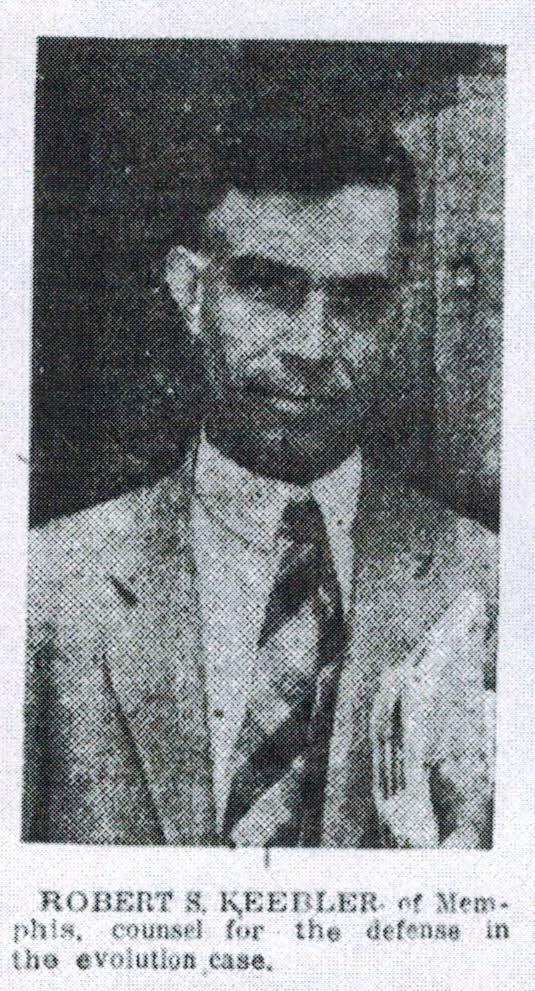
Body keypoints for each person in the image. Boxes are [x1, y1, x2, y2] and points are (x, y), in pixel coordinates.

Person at [23, 100, 497, 847]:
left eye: (356, 299)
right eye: (268, 287)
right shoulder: (45, 587)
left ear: (399, 312)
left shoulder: (492, 583)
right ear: (190, 291)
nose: (311, 344)